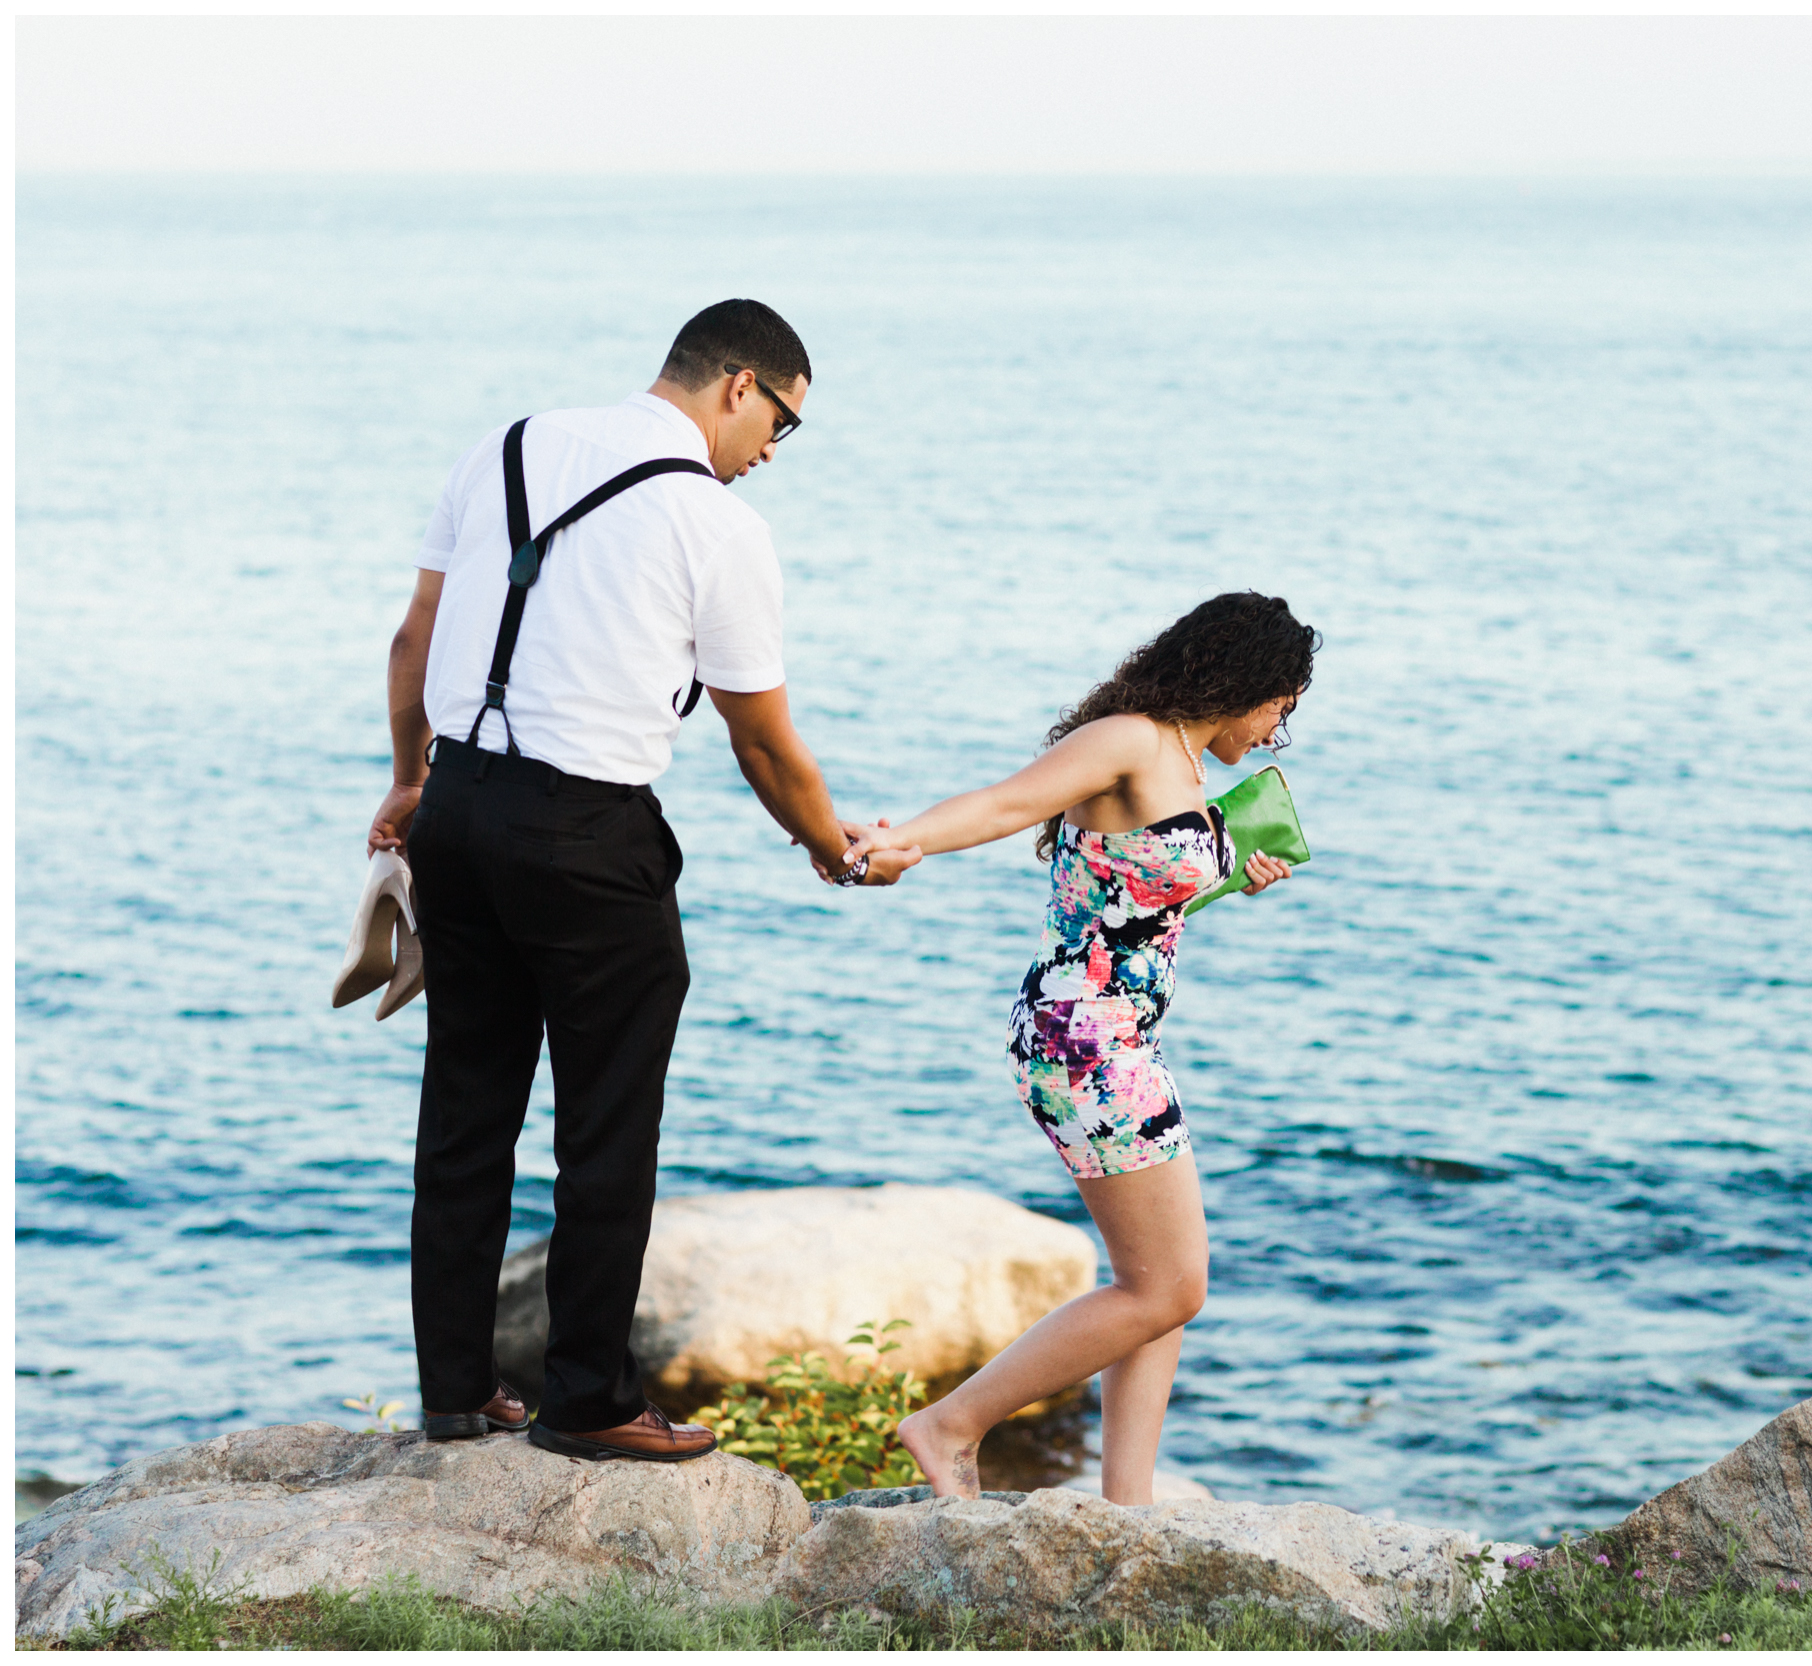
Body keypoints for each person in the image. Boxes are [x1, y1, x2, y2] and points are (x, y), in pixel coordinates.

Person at [364, 299, 917, 1462]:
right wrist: (828, 843)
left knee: (465, 1112)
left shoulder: (506, 444)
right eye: (782, 423)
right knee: (607, 1128)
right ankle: (585, 1400)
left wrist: (412, 780)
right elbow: (762, 741)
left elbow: (415, 638)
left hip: (460, 809)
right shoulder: (713, 525)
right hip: (589, 837)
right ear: (738, 387)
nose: (771, 452)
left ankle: (458, 1392)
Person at [842, 592, 1318, 1504]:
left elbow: (1127, 901)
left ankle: (1127, 1503)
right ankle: (950, 1426)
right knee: (1168, 1288)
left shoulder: (1180, 764)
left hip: (1115, 1036)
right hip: (1084, 1040)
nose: (1274, 735)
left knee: (1164, 1283)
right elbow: (1004, 803)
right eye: (1280, 712)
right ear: (1249, 683)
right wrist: (897, 844)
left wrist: (1232, 880)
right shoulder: (1132, 739)